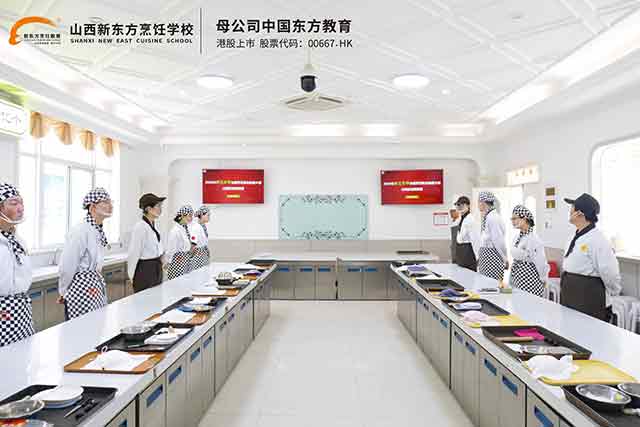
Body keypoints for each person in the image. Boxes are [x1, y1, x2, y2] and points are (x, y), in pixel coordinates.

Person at [561, 193, 621, 321]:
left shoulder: (598, 239)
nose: (569, 212)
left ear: (580, 214)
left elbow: (610, 272)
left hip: (588, 298)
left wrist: (613, 292)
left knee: (588, 330)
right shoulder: (574, 236)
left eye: (572, 208)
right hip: (570, 295)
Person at [58, 188, 112, 320]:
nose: (110, 206)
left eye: (111, 202)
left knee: (97, 325)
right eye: (105, 202)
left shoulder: (96, 230)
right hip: (80, 289)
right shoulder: (81, 230)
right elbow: (67, 265)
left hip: (94, 286)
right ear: (92, 207)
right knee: (81, 327)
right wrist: (63, 290)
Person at [0, 183, 34, 346]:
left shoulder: (18, 241)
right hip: (2, 312)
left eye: (21, 203)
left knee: (25, 353)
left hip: (21, 310)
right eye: (14, 203)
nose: (20, 208)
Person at [128, 193, 166, 293]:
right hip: (145, 270)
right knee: (145, 300)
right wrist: (131, 275)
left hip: (156, 268)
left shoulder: (153, 226)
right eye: (158, 206)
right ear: (149, 209)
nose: (160, 209)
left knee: (156, 299)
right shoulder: (140, 227)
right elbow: (134, 253)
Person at [509, 205, 549, 297]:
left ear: (524, 219)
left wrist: (544, 278)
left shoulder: (534, 239)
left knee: (528, 303)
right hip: (517, 278)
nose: (512, 221)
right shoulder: (517, 237)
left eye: (515, 218)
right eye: (512, 219)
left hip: (530, 280)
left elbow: (540, 262)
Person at [477, 191, 507, 281]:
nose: (478, 205)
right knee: (485, 285)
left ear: (483, 202)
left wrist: (505, 258)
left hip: (492, 259)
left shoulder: (493, 218)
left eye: (478, 202)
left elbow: (498, 241)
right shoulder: (488, 217)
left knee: (492, 286)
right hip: (486, 258)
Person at [166, 205, 196, 280]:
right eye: (189, 216)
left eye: (192, 216)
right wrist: (168, 263)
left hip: (186, 263)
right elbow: (171, 250)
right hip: (177, 264)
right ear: (182, 216)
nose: (191, 218)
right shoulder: (175, 231)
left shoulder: (185, 229)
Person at [453, 196, 478, 271]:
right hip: (461, 252)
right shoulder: (461, 218)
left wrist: (478, 257)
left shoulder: (470, 220)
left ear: (468, 205)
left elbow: (475, 239)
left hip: (468, 253)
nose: (460, 207)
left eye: (462, 205)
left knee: (468, 276)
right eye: (458, 205)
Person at [190, 205, 211, 271]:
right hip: (198, 257)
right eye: (208, 215)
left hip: (203, 255)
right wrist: (190, 257)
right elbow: (193, 244)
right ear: (202, 215)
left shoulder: (203, 226)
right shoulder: (196, 228)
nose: (209, 217)